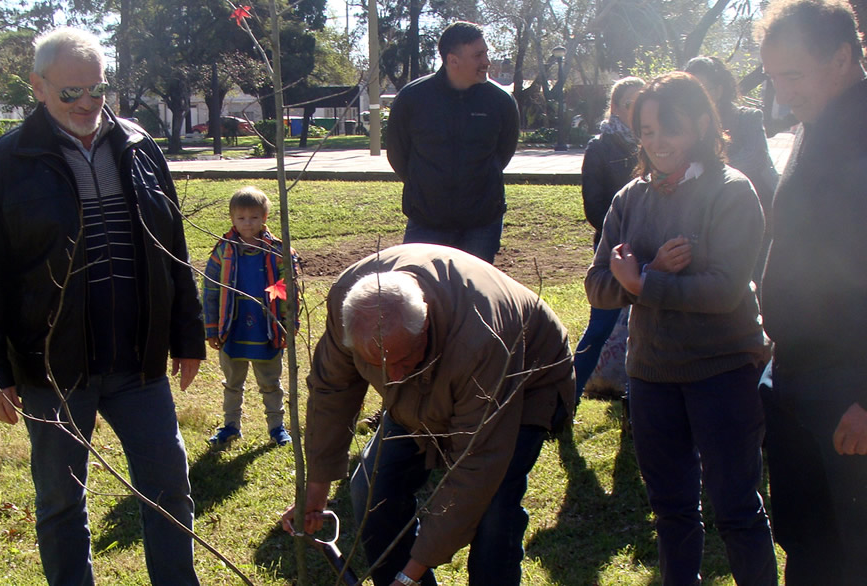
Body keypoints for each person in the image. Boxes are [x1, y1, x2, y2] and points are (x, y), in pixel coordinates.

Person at [0, 27, 204, 585]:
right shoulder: (7, 163)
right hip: (53, 370)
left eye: (98, 89)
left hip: (138, 362)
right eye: (71, 92)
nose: (89, 103)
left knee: (169, 487)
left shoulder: (138, 146)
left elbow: (173, 247)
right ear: (38, 88)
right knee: (62, 503)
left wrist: (188, 336)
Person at [281, 243, 574, 586]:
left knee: (493, 508)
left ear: (425, 325)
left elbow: (476, 466)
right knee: (371, 487)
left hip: (525, 380)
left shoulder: (480, 337)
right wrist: (316, 489)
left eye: (402, 361)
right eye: (378, 366)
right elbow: (332, 392)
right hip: (437, 382)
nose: (392, 379)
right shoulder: (350, 302)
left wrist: (409, 575)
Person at [585, 72, 777, 585]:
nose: (656, 141)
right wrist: (642, 279)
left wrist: (644, 285)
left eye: (667, 127)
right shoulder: (630, 198)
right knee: (671, 513)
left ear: (701, 123)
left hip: (723, 370)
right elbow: (597, 284)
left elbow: (724, 291)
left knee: (737, 509)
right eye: (645, 130)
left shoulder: (732, 191)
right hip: (651, 376)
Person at [756, 1, 867, 583]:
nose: (782, 92)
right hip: (796, 373)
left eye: (793, 75)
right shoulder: (814, 125)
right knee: (805, 539)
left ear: (843, 57)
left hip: (849, 387)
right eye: (773, 77)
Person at [386, 22, 520, 264]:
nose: (487, 61)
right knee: (423, 294)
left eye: (486, 53)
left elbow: (503, 154)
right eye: (478, 55)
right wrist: (426, 187)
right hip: (427, 222)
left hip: (481, 223)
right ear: (453, 60)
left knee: (472, 295)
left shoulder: (501, 101)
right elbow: (398, 154)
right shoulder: (412, 98)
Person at [204, 186, 298, 447]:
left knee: (271, 382)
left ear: (264, 217)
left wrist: (289, 326)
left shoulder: (278, 252)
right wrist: (211, 328)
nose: (248, 223)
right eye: (241, 218)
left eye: (254, 217)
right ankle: (231, 426)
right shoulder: (223, 251)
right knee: (232, 382)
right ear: (232, 219)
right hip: (233, 327)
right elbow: (210, 289)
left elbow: (290, 290)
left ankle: (276, 427)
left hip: (266, 328)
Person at [574, 76, 644, 401]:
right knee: (600, 326)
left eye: (641, 103)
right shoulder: (600, 147)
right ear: (615, 107)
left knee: (644, 332)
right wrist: (623, 234)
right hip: (614, 251)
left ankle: (635, 401)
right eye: (630, 104)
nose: (637, 111)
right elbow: (594, 206)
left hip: (650, 252)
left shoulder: (652, 141)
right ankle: (566, 397)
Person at [684, 55, 779, 283]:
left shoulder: (747, 117)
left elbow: (754, 158)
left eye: (701, 88)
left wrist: (709, 172)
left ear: (717, 90)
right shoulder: (685, 124)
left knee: (758, 281)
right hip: (711, 219)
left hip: (756, 213)